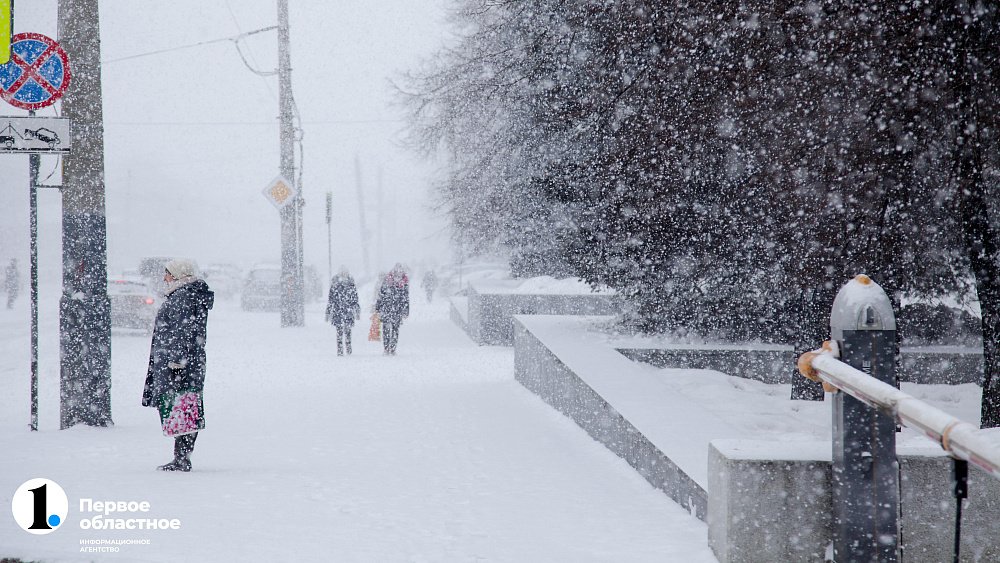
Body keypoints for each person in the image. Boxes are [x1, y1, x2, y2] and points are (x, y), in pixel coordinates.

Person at [142, 259, 214, 472]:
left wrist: (177, 362)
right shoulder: (187, 294)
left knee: (181, 407)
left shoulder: (183, 296)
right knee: (184, 407)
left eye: (168, 273)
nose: (165, 278)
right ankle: (182, 457)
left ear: (177, 275)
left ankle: (182, 459)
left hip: (180, 365)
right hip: (188, 363)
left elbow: (182, 332)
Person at [325, 266, 360, 356]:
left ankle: (348, 347)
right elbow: (331, 300)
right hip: (339, 311)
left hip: (346, 311)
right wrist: (328, 312)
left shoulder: (350, 284)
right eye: (342, 273)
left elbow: (355, 299)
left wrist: (357, 310)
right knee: (339, 331)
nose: (343, 275)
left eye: (345, 273)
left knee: (347, 331)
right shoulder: (335, 285)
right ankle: (340, 349)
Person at [376, 264, 410, 355]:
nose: (398, 274)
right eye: (396, 272)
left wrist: (406, 310)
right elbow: (381, 295)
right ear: (394, 272)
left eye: (400, 272)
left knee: (395, 329)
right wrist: (378, 307)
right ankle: (386, 348)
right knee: (386, 330)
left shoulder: (404, 283)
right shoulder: (387, 281)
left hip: (397, 310)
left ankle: (393, 349)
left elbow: (406, 298)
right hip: (386, 309)